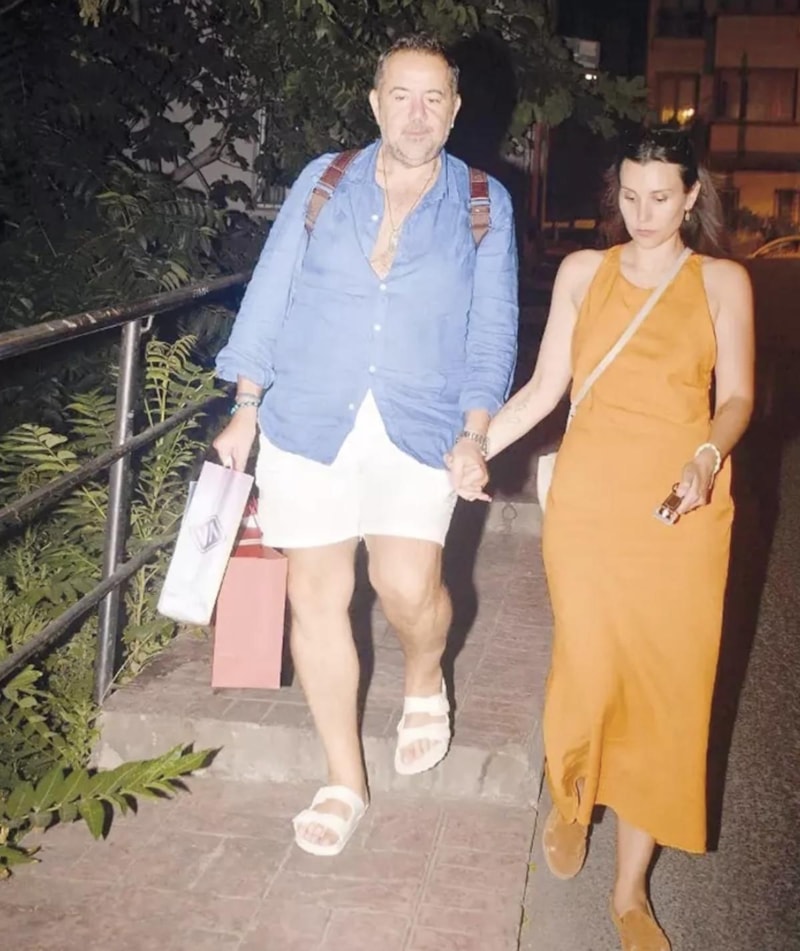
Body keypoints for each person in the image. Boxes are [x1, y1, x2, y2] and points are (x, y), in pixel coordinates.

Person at [212, 33, 518, 857]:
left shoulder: (482, 200)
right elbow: (271, 291)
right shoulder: (326, 179)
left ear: (454, 111)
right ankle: (344, 777)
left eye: (433, 99)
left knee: (405, 582)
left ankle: (425, 671)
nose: (416, 115)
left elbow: (492, 331)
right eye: (401, 96)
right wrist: (246, 406)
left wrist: (475, 433)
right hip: (309, 414)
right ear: (375, 102)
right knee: (315, 594)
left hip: (419, 420)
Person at [465, 128, 754, 950]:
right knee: (589, 664)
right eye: (629, 196)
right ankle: (572, 792)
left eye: (660, 197)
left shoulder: (722, 281)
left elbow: (737, 397)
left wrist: (707, 456)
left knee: (667, 688)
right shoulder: (584, 273)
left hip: (682, 505)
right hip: (591, 503)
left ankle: (630, 892)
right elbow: (544, 388)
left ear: (691, 196)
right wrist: (476, 446)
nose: (643, 212)